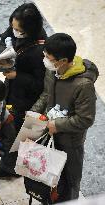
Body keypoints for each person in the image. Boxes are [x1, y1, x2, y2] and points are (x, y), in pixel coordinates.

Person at [31, 33, 98, 203]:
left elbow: (85, 119)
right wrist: (34, 113)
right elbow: (46, 95)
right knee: (46, 177)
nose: (44, 60)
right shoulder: (52, 70)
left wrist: (58, 125)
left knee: (68, 184)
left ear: (63, 61)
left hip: (70, 143)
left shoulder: (83, 85)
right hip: (48, 134)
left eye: (48, 57)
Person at [0, 3, 46, 177]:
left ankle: (10, 168)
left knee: (18, 134)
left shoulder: (41, 50)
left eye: (19, 30)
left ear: (29, 30)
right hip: (11, 91)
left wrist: (17, 75)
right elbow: (4, 38)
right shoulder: (16, 27)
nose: (14, 32)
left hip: (25, 100)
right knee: (8, 127)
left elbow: (40, 84)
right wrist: (3, 55)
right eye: (13, 27)